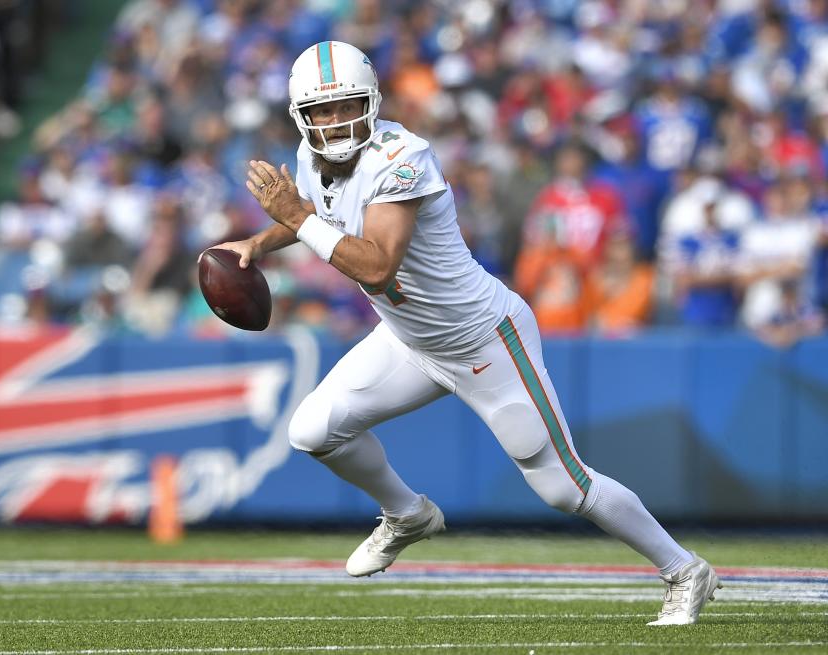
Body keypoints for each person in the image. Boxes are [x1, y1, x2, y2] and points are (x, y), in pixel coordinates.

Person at [211, 41, 720, 626]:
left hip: (483, 340)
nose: (333, 121)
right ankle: (406, 514)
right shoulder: (311, 157)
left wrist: (294, 216)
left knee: (562, 487)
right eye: (321, 112)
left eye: (345, 106)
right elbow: (326, 214)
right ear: (301, 116)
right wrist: (258, 240)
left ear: (371, 102)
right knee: (313, 430)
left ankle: (684, 570)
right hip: (408, 339)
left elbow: (376, 263)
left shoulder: (403, 156)